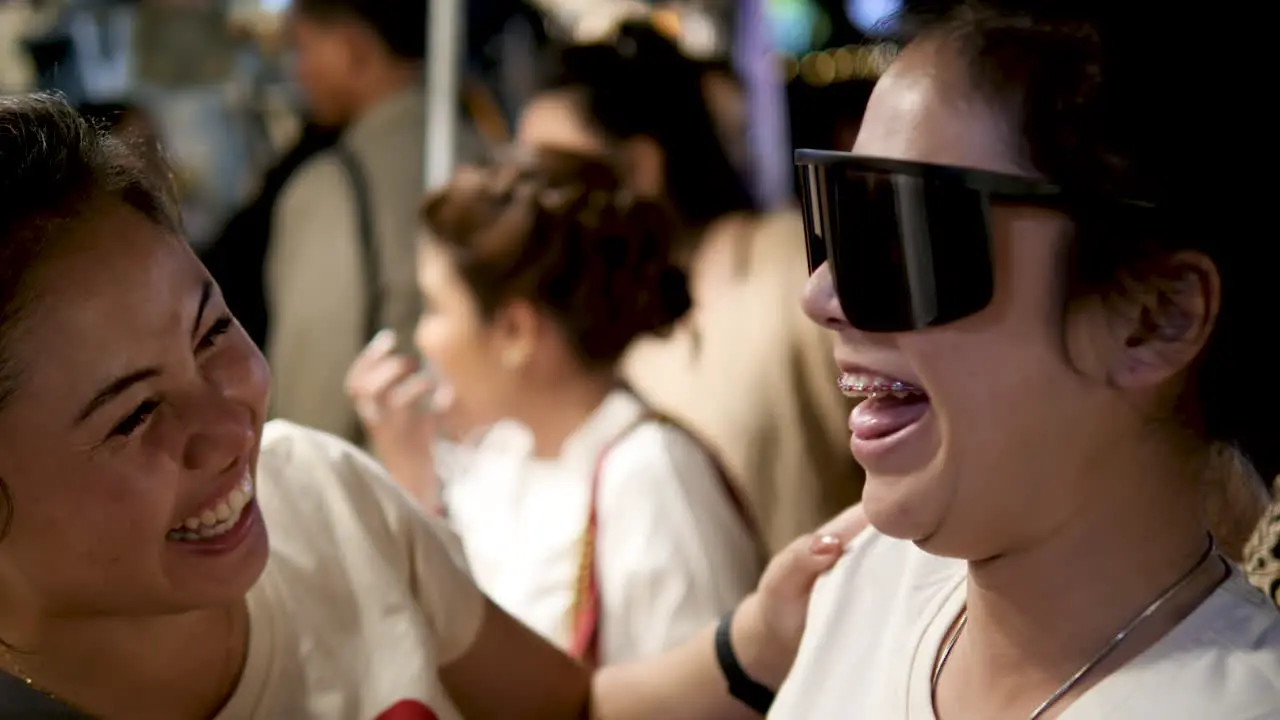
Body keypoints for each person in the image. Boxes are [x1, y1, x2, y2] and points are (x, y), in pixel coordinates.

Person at [0, 90, 858, 719]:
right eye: (134, 413)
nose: (231, 432)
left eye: (212, 330)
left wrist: (759, 638)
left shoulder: (318, 492)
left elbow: (571, 708)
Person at [771, 2, 1280, 718]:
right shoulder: (863, 588)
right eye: (840, 211)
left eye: (904, 231)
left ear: (1156, 317)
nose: (822, 294)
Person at [344, 149, 763, 664]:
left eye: (433, 308)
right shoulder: (502, 457)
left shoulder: (651, 476)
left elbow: (710, 699)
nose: (422, 339)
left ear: (516, 332)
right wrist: (413, 486)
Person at [517, 21, 863, 553]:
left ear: (640, 166)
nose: (535, 208)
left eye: (556, 176)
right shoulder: (597, 321)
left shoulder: (797, 273)